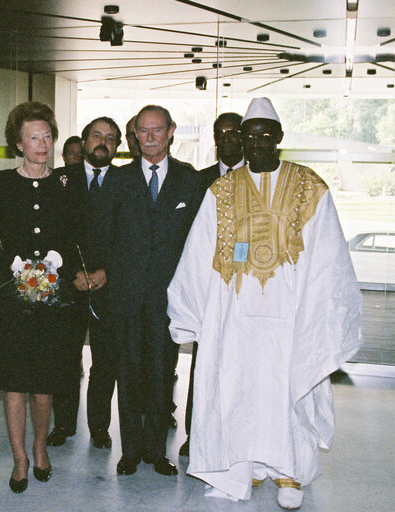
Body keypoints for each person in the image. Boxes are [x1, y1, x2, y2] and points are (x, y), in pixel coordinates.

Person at [167, 97, 363, 510]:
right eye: (247, 136)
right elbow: (200, 251)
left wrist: (322, 312)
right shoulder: (221, 190)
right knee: (239, 389)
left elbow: (328, 254)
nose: (255, 144)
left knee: (283, 387)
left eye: (264, 135)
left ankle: (288, 471)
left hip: (291, 315)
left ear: (278, 138)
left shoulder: (310, 186)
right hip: (235, 315)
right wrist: (190, 309)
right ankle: (248, 464)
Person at [88, 105, 203, 477]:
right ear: (134, 134)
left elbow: (199, 241)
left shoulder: (190, 181)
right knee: (128, 371)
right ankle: (130, 451)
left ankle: (156, 451)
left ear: (171, 131)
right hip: (125, 297)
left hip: (170, 299)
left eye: (157, 130)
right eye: (143, 131)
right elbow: (102, 237)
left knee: (161, 372)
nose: (150, 137)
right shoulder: (118, 181)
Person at [0, 101, 82, 493]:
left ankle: (40, 447)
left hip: (55, 295)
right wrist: (14, 263)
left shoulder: (68, 184)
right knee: (14, 381)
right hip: (12, 295)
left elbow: (78, 236)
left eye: (47, 136)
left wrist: (58, 260)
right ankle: (19, 457)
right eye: (33, 138)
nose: (42, 144)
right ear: (18, 144)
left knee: (45, 378)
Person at [47, 117, 121, 451]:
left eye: (110, 137)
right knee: (64, 357)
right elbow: (52, 232)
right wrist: (73, 271)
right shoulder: (60, 180)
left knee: (106, 361)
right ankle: (63, 424)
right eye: (96, 136)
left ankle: (100, 427)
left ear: (118, 145)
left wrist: (107, 271)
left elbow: (132, 236)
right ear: (85, 140)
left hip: (110, 287)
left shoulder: (126, 181)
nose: (102, 142)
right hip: (70, 284)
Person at [179, 111, 245, 457]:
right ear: (215, 139)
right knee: (203, 366)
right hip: (208, 291)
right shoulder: (198, 180)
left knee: (241, 367)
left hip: (249, 292)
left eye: (235, 133)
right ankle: (197, 435)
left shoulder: (257, 178)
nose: (228, 139)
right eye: (221, 134)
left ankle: (238, 437)